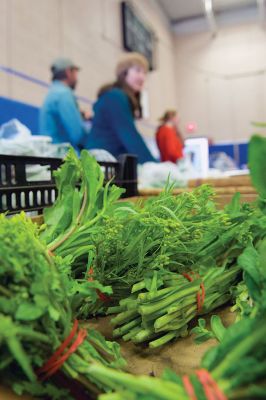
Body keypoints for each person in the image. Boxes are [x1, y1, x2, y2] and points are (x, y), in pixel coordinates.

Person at [85, 52, 156, 164]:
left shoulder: (116, 96)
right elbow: (129, 136)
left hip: (105, 161)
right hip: (101, 163)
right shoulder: (116, 97)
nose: (142, 77)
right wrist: (152, 164)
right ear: (124, 73)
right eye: (137, 70)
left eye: (144, 73)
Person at [40, 57, 86, 151]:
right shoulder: (64, 95)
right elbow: (77, 135)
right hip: (63, 158)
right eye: (75, 73)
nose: (77, 77)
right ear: (69, 72)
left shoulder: (53, 94)